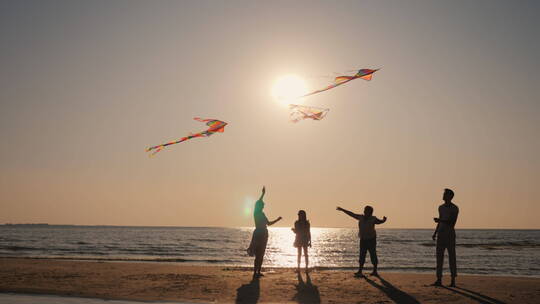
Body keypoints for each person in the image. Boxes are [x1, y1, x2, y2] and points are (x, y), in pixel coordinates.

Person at [337, 205, 387, 277]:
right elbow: (351, 214)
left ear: (371, 212)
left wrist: (383, 220)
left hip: (371, 239)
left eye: (367, 211)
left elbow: (379, 222)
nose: (365, 212)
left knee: (373, 255)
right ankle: (360, 271)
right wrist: (342, 209)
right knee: (362, 255)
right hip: (363, 239)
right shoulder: (360, 217)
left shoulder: (373, 219)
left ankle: (375, 271)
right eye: (365, 210)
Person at [246, 186, 282, 278]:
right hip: (258, 233)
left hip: (264, 234)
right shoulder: (256, 212)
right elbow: (257, 202)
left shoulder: (262, 214)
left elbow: (269, 223)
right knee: (258, 253)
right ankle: (255, 272)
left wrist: (277, 220)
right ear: (259, 206)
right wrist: (262, 194)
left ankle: (258, 272)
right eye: (262, 204)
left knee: (261, 254)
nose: (263, 205)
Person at [432, 188, 459, 287]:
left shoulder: (454, 208)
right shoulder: (441, 207)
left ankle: (453, 280)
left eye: (445, 194)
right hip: (441, 234)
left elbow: (452, 223)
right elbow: (440, 222)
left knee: (452, 257)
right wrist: (435, 232)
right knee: (439, 257)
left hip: (450, 234)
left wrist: (440, 220)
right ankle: (439, 279)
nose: (443, 195)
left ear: (450, 196)